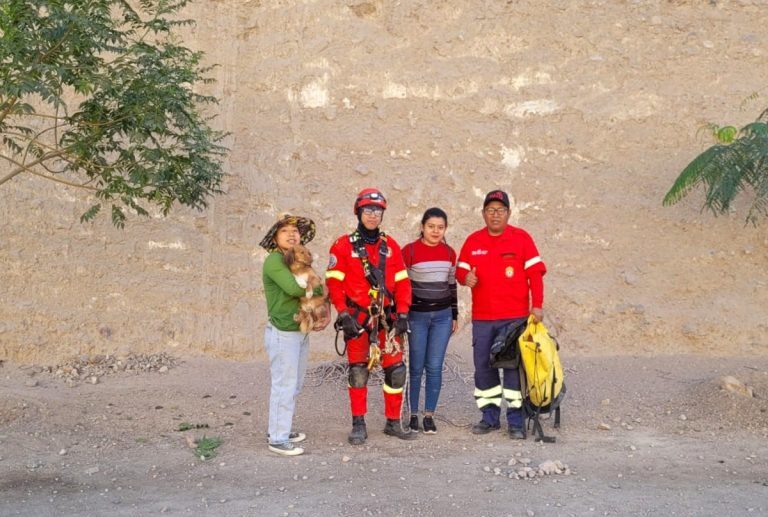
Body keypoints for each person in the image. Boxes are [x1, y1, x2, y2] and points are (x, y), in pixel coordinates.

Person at [325, 188, 417, 445]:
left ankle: (392, 422)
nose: (373, 215)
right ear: (359, 212)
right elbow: (334, 283)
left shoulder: (391, 246)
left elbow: (402, 283)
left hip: (386, 320)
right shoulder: (342, 245)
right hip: (357, 319)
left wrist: (402, 314)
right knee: (358, 372)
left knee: (396, 371)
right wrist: (343, 314)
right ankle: (358, 423)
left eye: (377, 211)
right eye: (368, 210)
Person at [455, 190, 546, 439]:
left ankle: (516, 422)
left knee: (513, 370)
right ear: (483, 213)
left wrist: (537, 305)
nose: (496, 215)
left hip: (514, 319)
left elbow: (535, 275)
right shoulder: (473, 241)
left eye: (501, 210)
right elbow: (460, 270)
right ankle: (489, 418)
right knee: (484, 368)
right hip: (483, 319)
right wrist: (466, 277)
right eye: (491, 210)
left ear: (508, 213)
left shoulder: (522, 238)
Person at [260, 214, 330, 456]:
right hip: (283, 332)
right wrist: (315, 286)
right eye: (284, 231)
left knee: (295, 383)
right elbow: (293, 288)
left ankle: (280, 428)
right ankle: (278, 439)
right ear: (275, 238)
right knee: (284, 385)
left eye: (295, 231)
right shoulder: (274, 261)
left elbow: (316, 286)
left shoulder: (295, 262)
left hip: (299, 330)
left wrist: (315, 287)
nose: (292, 234)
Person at [402, 207, 458, 435]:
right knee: (415, 368)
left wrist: (454, 315)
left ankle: (429, 416)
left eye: (440, 227)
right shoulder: (410, 251)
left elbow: (452, 286)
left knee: (434, 367)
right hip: (417, 318)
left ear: (445, 229)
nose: (436, 231)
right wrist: (401, 315)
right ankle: (413, 414)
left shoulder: (449, 253)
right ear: (422, 227)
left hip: (442, 318)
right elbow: (402, 287)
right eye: (431, 226)